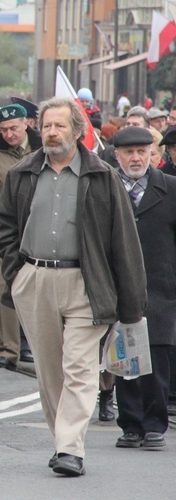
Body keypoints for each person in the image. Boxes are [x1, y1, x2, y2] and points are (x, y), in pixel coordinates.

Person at [0, 96, 147, 477]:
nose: (51, 132)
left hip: (86, 281)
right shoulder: (23, 173)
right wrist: (17, 273)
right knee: (50, 371)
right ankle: (63, 440)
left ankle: (70, 449)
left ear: (78, 131)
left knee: (80, 367)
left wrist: (131, 304)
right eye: (46, 125)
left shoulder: (102, 175)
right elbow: (5, 225)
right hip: (35, 278)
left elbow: (123, 241)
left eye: (59, 125)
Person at [110, 126, 176, 449]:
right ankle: (131, 424)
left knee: (158, 357)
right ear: (116, 155)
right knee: (125, 359)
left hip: (162, 287)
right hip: (120, 286)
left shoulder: (171, 189)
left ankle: (154, 424)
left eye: (142, 152)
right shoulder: (107, 189)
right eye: (128, 153)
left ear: (153, 153)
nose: (135, 158)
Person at [0, 103, 41, 372]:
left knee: (44, 289)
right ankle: (7, 348)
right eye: (3, 130)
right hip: (5, 229)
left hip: (42, 225)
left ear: (26, 124)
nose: (9, 134)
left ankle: (40, 347)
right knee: (3, 286)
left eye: (14, 128)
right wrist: (5, 206)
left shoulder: (44, 146)